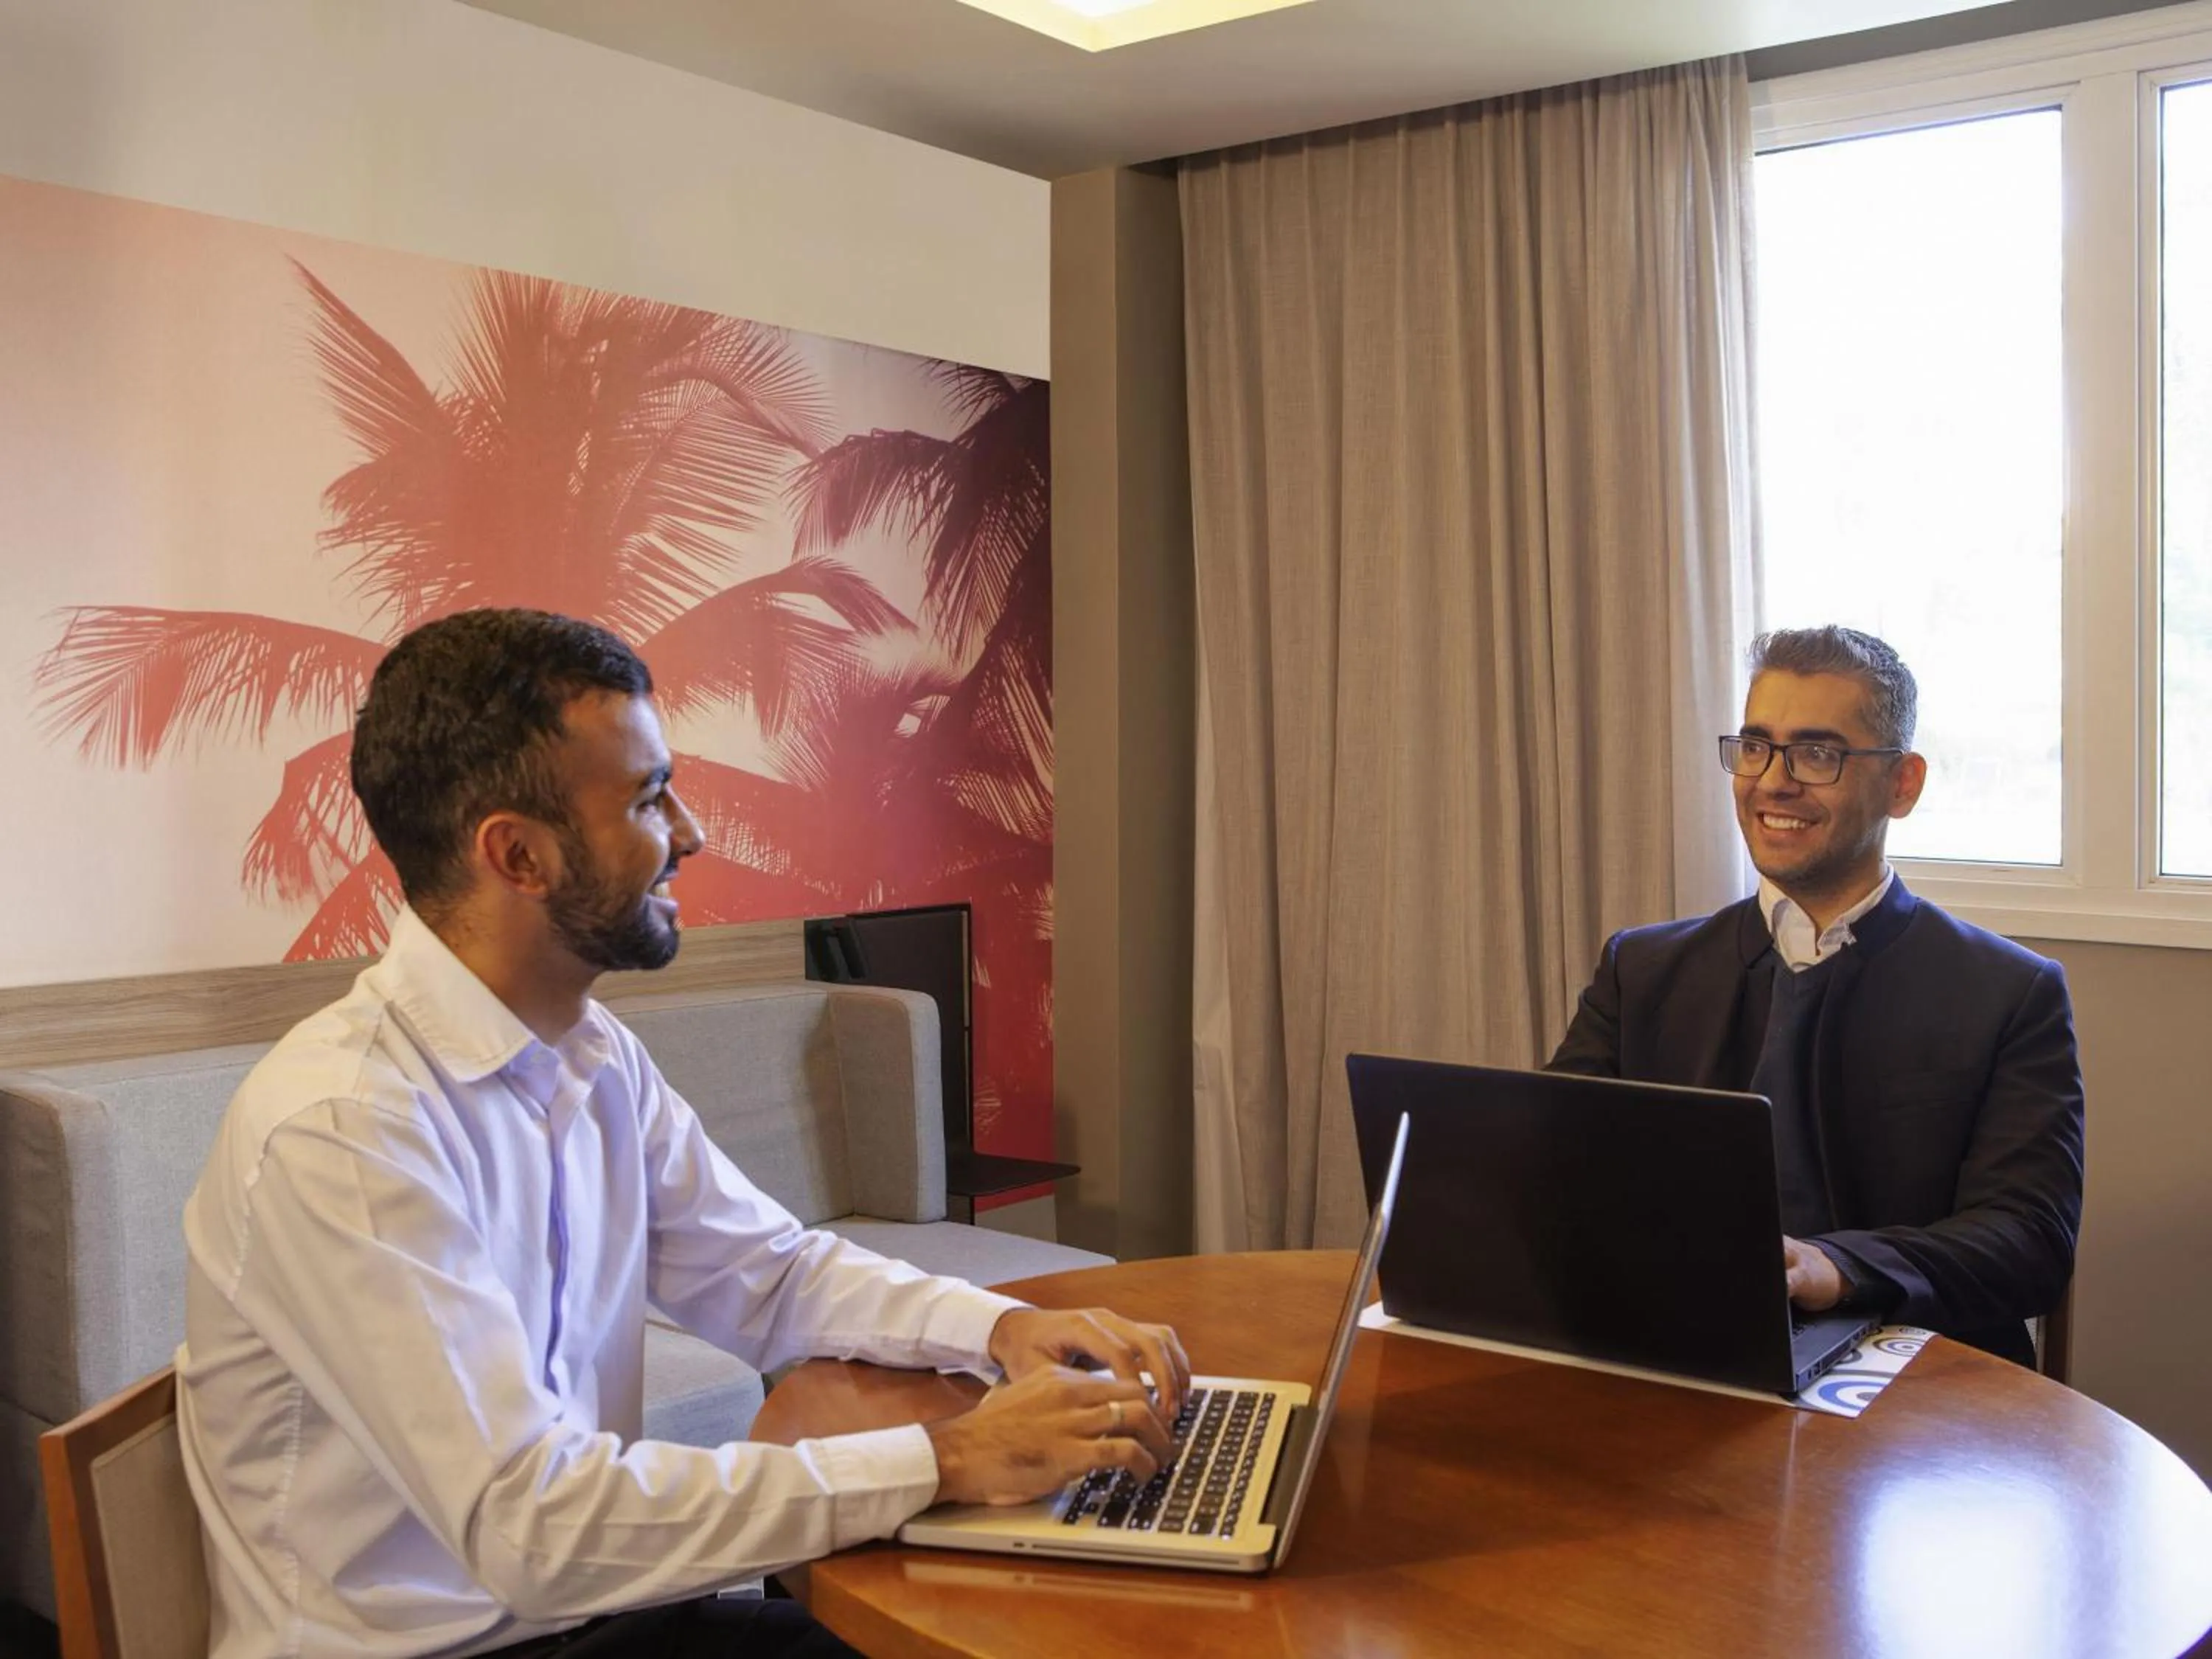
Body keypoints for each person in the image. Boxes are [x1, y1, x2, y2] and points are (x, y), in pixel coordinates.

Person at [176, 608, 1189, 1659]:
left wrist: (994, 1330)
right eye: (650, 797)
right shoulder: (343, 1130)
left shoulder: (591, 1055)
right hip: (458, 1646)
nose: (694, 833)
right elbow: (535, 1527)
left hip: (588, 1613)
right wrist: (946, 1457)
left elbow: (771, 1275)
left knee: (1031, 1610)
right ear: (517, 853)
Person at [1547, 625, 2084, 1366]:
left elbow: (2029, 1241)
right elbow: (1547, 1167)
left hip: (1919, 1394)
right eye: (1757, 746)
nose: (1773, 780)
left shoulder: (2010, 994)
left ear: (1903, 784)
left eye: (1817, 754)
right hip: (1667, 1364)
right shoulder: (1640, 970)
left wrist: (1836, 1270)